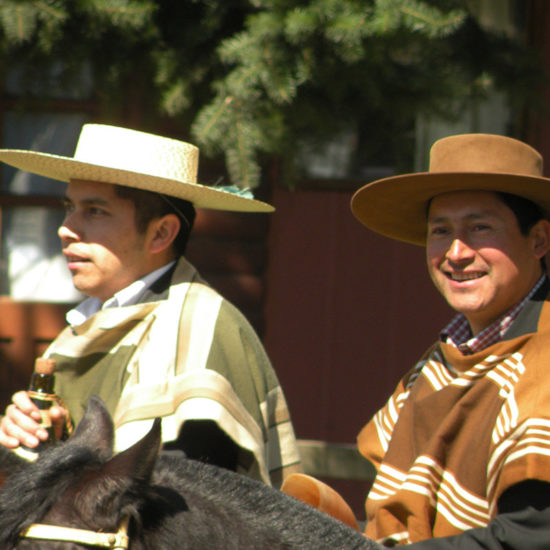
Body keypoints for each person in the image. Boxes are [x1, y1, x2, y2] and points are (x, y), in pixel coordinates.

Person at [0, 123, 301, 487]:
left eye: (95, 211)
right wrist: (41, 440)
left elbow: (181, 508)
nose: (66, 227)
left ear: (161, 233)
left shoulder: (199, 328)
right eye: (69, 207)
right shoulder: (80, 329)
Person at [347, 132, 550, 547]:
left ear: (539, 240)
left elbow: (532, 537)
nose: (456, 252)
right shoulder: (440, 362)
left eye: (480, 227)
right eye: (441, 231)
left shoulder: (543, 364)